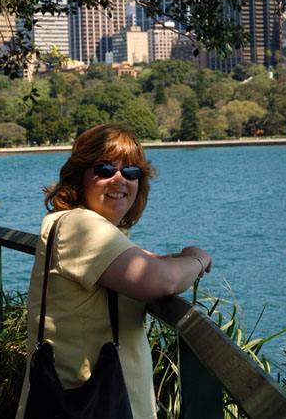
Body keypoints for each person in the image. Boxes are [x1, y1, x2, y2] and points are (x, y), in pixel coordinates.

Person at [16, 123, 212, 419]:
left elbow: (148, 264)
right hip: (88, 405)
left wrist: (169, 261)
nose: (119, 180)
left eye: (131, 172)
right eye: (105, 169)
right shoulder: (81, 226)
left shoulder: (86, 229)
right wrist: (197, 259)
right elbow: (159, 281)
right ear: (79, 176)